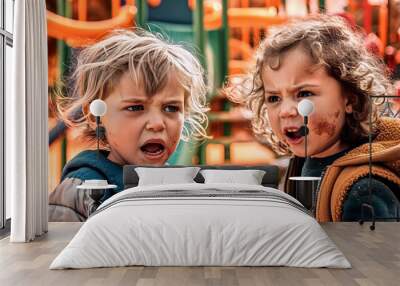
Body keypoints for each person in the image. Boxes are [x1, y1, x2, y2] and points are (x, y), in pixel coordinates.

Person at [229, 14, 400, 222]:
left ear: (350, 100)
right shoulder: (304, 161)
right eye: (274, 98)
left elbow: (375, 253)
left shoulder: (364, 191)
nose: (286, 111)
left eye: (304, 94)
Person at [49, 29, 209, 221]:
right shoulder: (83, 188)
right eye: (135, 108)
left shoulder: (178, 184)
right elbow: (60, 248)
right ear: (95, 116)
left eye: (171, 108)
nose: (157, 124)